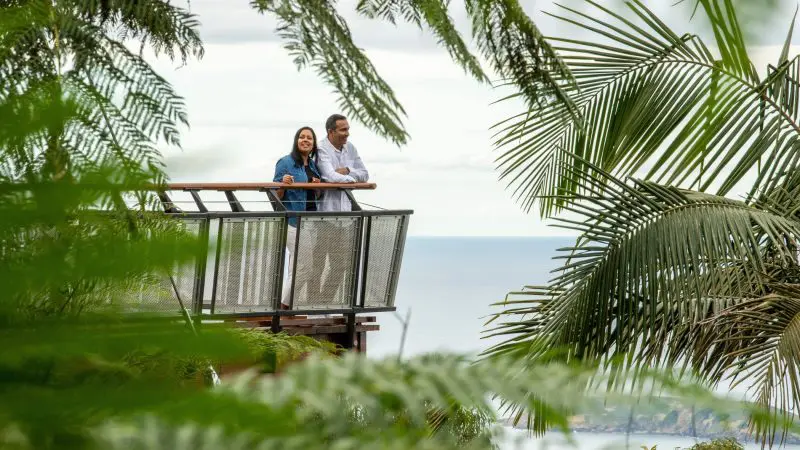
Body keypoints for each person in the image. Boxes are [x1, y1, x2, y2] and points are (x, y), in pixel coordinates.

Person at [313, 114, 370, 303]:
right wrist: (349, 178)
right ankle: (311, 304)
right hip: (324, 216)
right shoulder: (321, 149)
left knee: (340, 264)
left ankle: (323, 302)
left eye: (348, 129)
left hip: (344, 217)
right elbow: (329, 175)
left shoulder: (350, 148)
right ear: (331, 131)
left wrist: (346, 172)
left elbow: (365, 174)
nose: (347, 134)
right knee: (317, 264)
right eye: (343, 130)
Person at [273, 126, 322, 309]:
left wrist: (317, 186)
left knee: (297, 267)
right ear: (296, 140)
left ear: (313, 144)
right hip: (293, 221)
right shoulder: (285, 163)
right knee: (305, 268)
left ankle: (287, 307)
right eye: (302, 137)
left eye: (309, 138)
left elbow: (317, 196)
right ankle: (282, 307)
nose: (305, 140)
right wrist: (282, 184)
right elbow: (275, 195)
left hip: (311, 222)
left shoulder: (312, 165)